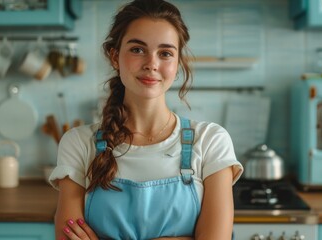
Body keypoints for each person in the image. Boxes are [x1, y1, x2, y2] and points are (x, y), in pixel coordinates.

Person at [49, 0, 243, 239]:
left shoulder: (211, 141)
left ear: (177, 63)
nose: (152, 64)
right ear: (114, 56)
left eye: (165, 53)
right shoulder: (78, 143)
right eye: (137, 49)